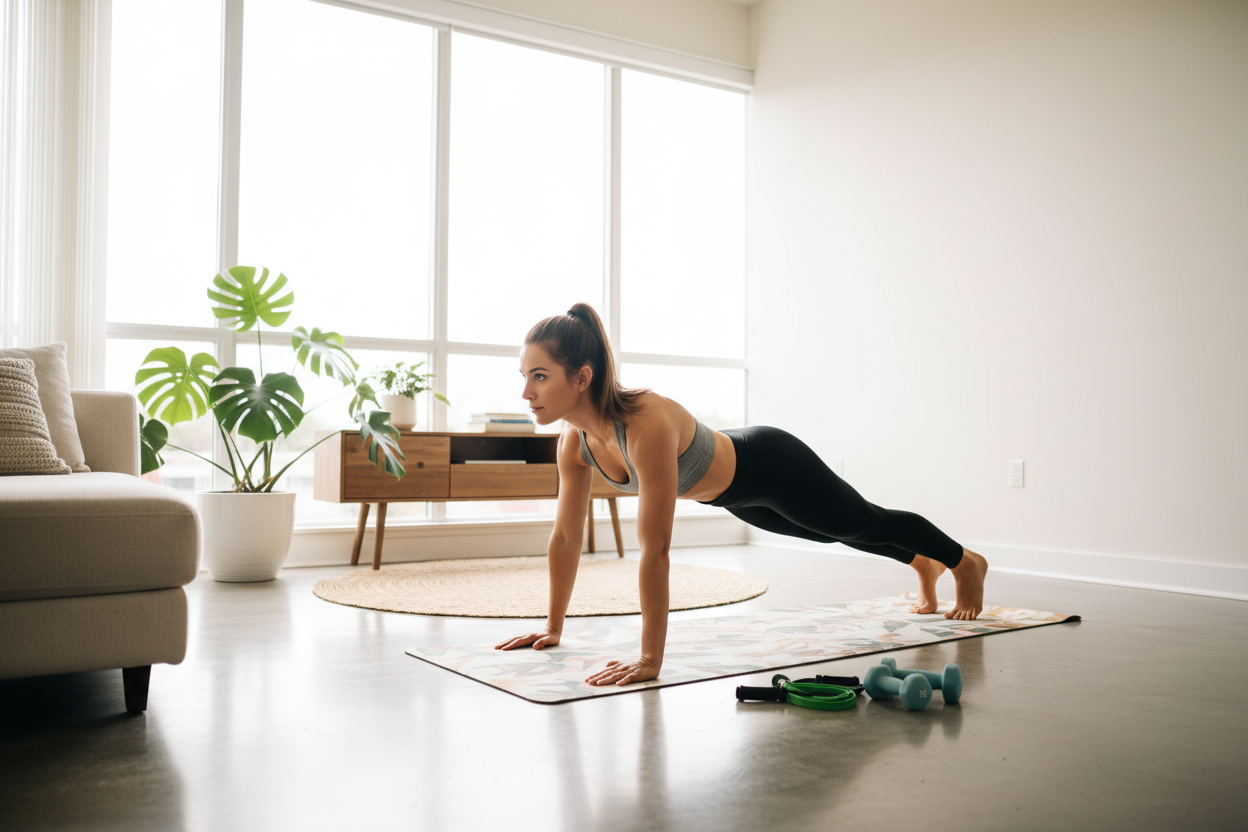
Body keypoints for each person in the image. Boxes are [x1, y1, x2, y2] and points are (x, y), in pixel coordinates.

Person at [495, 303, 989, 687]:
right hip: (731, 495)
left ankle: (963, 562)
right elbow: (565, 537)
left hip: (771, 465)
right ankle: (921, 563)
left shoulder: (643, 422)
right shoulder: (574, 443)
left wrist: (651, 658)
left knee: (860, 521)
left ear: (581, 377)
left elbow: (657, 551)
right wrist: (553, 626)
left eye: (540, 376)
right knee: (828, 532)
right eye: (525, 377)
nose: (527, 392)